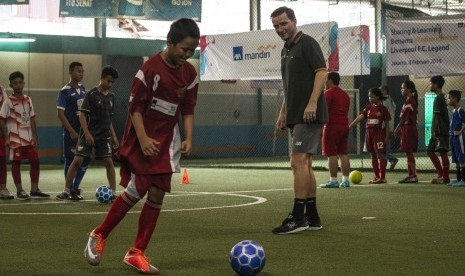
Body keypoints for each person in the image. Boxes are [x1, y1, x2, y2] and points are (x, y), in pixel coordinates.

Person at [84, 18, 200, 274]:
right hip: (142, 137)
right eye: (184, 49)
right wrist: (145, 139)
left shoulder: (190, 74)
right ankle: (99, 234)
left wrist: (189, 137)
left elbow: (188, 108)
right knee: (138, 189)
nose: (187, 55)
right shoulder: (149, 69)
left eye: (192, 51)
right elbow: (135, 108)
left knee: (157, 194)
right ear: (170, 42)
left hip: (168, 140)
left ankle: (137, 252)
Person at [270, 6, 327, 234]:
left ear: (294, 21)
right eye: (276, 26)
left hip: (308, 114)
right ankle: (312, 217)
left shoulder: (307, 43)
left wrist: (312, 102)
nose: (280, 29)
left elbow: (322, 72)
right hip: (295, 114)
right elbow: (289, 86)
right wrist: (283, 111)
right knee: (305, 164)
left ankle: (298, 217)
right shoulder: (285, 50)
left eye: (284, 23)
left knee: (297, 162)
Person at [60, 66, 119, 200]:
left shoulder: (112, 97)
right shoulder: (91, 94)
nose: (110, 84)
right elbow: (82, 115)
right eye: (108, 81)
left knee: (109, 161)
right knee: (77, 160)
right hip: (89, 134)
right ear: (102, 78)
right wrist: (86, 133)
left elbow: (109, 119)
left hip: (104, 136)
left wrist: (114, 137)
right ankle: (66, 190)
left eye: (112, 82)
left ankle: (114, 193)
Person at [0, 71, 50, 200]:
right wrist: (6, 137)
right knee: (16, 163)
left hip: (29, 139)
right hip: (16, 139)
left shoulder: (28, 99)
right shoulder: (8, 102)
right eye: (15, 83)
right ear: (10, 85)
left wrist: (35, 136)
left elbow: (32, 118)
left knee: (35, 161)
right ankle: (20, 190)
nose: (18, 85)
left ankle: (34, 190)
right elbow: (1, 119)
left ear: (24, 83)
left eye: (20, 82)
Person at [56, 62, 90, 201]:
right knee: (71, 160)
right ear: (71, 72)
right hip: (71, 132)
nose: (81, 73)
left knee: (85, 159)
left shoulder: (83, 89)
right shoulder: (64, 91)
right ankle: (67, 189)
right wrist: (70, 131)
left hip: (83, 131)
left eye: (82, 71)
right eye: (78, 71)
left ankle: (75, 188)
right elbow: (60, 113)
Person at [349, 87, 391, 184]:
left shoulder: (383, 109)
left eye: (371, 96)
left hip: (379, 134)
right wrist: (351, 125)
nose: (369, 98)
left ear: (377, 96)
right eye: (369, 96)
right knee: (372, 155)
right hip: (369, 134)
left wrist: (387, 136)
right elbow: (361, 116)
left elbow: (387, 124)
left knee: (381, 154)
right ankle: (376, 177)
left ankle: (383, 177)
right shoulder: (368, 108)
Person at [320, 72, 351, 188]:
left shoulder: (328, 93)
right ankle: (346, 180)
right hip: (344, 126)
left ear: (330, 80)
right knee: (343, 153)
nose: (324, 82)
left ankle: (333, 180)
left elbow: (324, 111)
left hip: (331, 126)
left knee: (331, 154)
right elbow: (346, 110)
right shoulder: (345, 95)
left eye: (325, 80)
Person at [427, 75, 450, 184]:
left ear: (436, 85)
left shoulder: (439, 98)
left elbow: (436, 116)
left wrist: (432, 130)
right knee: (430, 151)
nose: (429, 86)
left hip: (440, 129)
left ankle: (445, 177)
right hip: (440, 129)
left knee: (442, 151)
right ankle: (441, 174)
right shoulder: (442, 97)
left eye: (431, 84)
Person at [395, 81, 419, 183]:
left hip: (408, 128)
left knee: (408, 153)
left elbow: (404, 118)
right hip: (408, 128)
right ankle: (412, 175)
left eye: (403, 87)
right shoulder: (409, 100)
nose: (401, 89)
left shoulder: (409, 101)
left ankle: (412, 176)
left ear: (409, 89)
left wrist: (397, 128)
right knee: (408, 153)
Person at [446, 90, 465, 187]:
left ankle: (463, 180)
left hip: (459, 138)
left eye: (449, 98)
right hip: (452, 137)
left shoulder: (460, 110)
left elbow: (464, 123)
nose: (447, 100)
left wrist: (459, 132)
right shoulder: (453, 111)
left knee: (461, 157)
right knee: (455, 158)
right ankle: (458, 180)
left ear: (455, 99)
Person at [380, 85, 399, 170]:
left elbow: (382, 114)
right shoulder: (391, 100)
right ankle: (391, 159)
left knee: (383, 148)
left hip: (385, 127)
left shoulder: (385, 101)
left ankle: (391, 159)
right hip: (390, 126)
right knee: (385, 146)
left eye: (380, 91)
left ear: (384, 91)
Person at [0, 85, 14, 200]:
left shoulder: (2, 89)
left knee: (2, 161)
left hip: (1, 131)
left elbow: (5, 111)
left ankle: (3, 188)